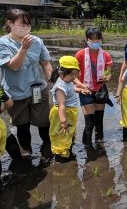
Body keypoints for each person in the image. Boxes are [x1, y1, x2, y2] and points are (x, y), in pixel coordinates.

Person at [0, 9, 52, 157]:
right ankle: (27, 150)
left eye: (28, 24)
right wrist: (23, 48)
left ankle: (47, 147)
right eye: (21, 24)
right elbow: (13, 66)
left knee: (44, 122)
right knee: (22, 125)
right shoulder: (3, 44)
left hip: (38, 90)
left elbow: (45, 64)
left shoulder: (37, 41)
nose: (25, 27)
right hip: (16, 93)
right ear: (9, 23)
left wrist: (54, 83)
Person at [75, 27, 113, 145]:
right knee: (89, 121)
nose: (95, 42)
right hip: (85, 90)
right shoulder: (80, 54)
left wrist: (106, 77)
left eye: (97, 40)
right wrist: (81, 86)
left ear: (101, 40)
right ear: (87, 40)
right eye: (92, 40)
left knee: (99, 119)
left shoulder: (105, 55)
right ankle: (86, 145)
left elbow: (108, 72)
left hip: (100, 89)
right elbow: (73, 75)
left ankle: (99, 141)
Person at [49, 56, 81, 163]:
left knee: (69, 134)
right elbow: (61, 105)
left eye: (76, 74)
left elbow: (71, 89)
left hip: (69, 112)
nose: (74, 77)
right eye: (72, 75)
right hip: (63, 114)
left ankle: (68, 152)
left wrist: (80, 90)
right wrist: (63, 122)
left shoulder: (67, 81)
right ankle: (61, 158)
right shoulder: (60, 87)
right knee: (61, 135)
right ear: (62, 74)